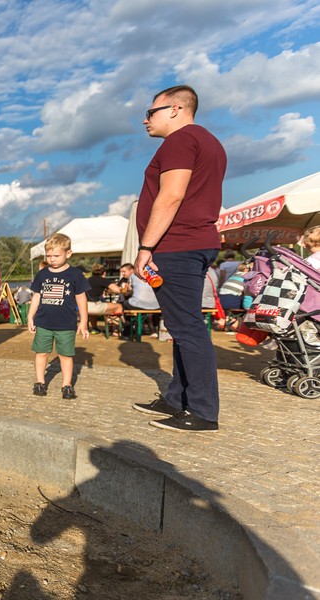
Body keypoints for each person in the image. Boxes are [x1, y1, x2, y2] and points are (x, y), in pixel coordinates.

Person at [132, 85, 226, 433]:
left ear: (175, 109)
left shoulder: (180, 141)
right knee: (181, 325)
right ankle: (177, 398)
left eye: (151, 111)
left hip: (178, 244)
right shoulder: (209, 142)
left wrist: (146, 247)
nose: (145, 119)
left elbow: (171, 196)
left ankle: (202, 411)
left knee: (187, 328)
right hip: (194, 242)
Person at [27, 233, 90, 399]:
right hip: (43, 323)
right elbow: (36, 296)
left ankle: (67, 385)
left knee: (66, 355)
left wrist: (83, 321)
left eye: (56, 255)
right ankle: (40, 382)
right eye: (48, 256)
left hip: (67, 324)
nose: (52, 259)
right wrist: (30, 317)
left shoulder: (75, 275)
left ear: (68, 254)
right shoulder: (42, 274)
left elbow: (82, 298)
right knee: (41, 353)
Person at [85, 263, 122, 332]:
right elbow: (117, 290)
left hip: (84, 307)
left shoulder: (88, 280)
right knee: (118, 306)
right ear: (104, 273)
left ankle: (94, 328)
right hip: (94, 306)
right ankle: (115, 329)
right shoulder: (102, 280)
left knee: (94, 312)